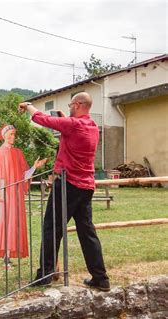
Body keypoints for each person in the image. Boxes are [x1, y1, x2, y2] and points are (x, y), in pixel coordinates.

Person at [19, 92, 110, 291]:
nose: (69, 107)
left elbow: (41, 119)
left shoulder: (73, 125)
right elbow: (71, 131)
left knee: (51, 228)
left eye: (70, 104)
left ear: (77, 105)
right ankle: (101, 278)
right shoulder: (93, 127)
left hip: (68, 184)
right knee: (87, 232)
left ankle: (45, 275)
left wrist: (28, 106)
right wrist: (64, 118)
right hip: (86, 186)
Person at [0, 125, 47, 265]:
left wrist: (34, 167)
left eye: (14, 135)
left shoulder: (18, 153)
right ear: (4, 135)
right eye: (10, 134)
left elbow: (24, 174)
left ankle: (7, 255)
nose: (13, 137)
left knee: (12, 221)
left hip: (14, 191)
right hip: (0, 187)